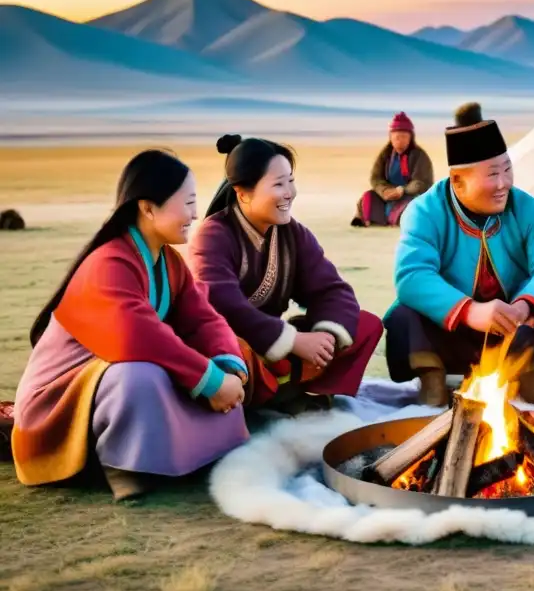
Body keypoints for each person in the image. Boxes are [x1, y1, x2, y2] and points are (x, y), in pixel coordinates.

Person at [12, 150, 250, 501]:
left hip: (115, 381)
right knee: (140, 375)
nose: (195, 214)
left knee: (200, 369)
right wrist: (211, 382)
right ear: (148, 208)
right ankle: (123, 464)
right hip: (59, 403)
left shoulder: (170, 262)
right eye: (187, 203)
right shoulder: (108, 262)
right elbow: (135, 336)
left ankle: (172, 455)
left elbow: (203, 319)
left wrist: (227, 368)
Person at [383, 102, 534, 407]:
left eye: (508, 169)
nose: (504, 183)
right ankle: (432, 381)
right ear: (457, 180)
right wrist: (470, 311)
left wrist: (523, 307)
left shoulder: (528, 208)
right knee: (405, 313)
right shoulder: (424, 212)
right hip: (452, 333)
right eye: (493, 174)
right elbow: (412, 276)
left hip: (515, 331)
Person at [189, 135, 383, 414]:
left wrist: (325, 335)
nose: (289, 192)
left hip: (275, 350)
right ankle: (266, 396)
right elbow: (220, 302)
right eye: (278, 184)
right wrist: (292, 341)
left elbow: (332, 289)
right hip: (234, 347)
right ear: (243, 193)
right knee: (237, 351)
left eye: (290, 181)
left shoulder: (293, 234)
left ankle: (297, 391)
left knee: (365, 325)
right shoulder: (213, 235)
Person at [351, 111, 434, 227]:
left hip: (409, 196)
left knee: (413, 207)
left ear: (411, 137)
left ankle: (399, 220)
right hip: (388, 195)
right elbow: (376, 178)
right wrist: (384, 191)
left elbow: (421, 182)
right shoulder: (386, 155)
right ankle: (365, 219)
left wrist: (402, 190)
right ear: (391, 137)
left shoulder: (420, 156)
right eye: (397, 137)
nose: (400, 140)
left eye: (404, 136)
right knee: (368, 197)